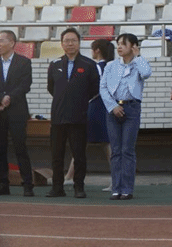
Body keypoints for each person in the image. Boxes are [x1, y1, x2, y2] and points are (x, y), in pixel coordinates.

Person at [47, 27, 100, 198]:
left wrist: (78, 101)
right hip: (58, 117)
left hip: (79, 117)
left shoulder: (89, 65)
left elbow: (95, 89)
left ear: (79, 43)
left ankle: (79, 187)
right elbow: (51, 88)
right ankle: (57, 188)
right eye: (66, 41)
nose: (70, 44)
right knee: (57, 156)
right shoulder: (54, 64)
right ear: (62, 44)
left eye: (73, 40)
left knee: (79, 155)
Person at [101, 33, 152, 200]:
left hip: (132, 108)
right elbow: (103, 88)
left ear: (133, 46)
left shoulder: (139, 64)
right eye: (118, 44)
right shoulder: (111, 65)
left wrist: (138, 57)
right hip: (113, 109)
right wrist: (113, 106)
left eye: (124, 44)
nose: (120, 47)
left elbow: (146, 73)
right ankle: (116, 188)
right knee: (115, 150)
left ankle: (127, 189)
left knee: (127, 150)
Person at [65, 38, 115, 191]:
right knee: (104, 143)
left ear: (97, 50)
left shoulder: (98, 67)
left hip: (96, 106)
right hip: (105, 106)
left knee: (87, 142)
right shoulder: (112, 66)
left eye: (93, 49)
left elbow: (96, 87)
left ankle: (70, 177)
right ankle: (69, 176)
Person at [0, 30, 34, 197]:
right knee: (1, 148)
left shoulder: (23, 62)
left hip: (17, 111)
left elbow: (25, 85)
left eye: (1, 40)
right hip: (0, 111)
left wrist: (10, 97)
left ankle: (27, 184)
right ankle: (3, 184)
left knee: (20, 147)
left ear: (12, 43)